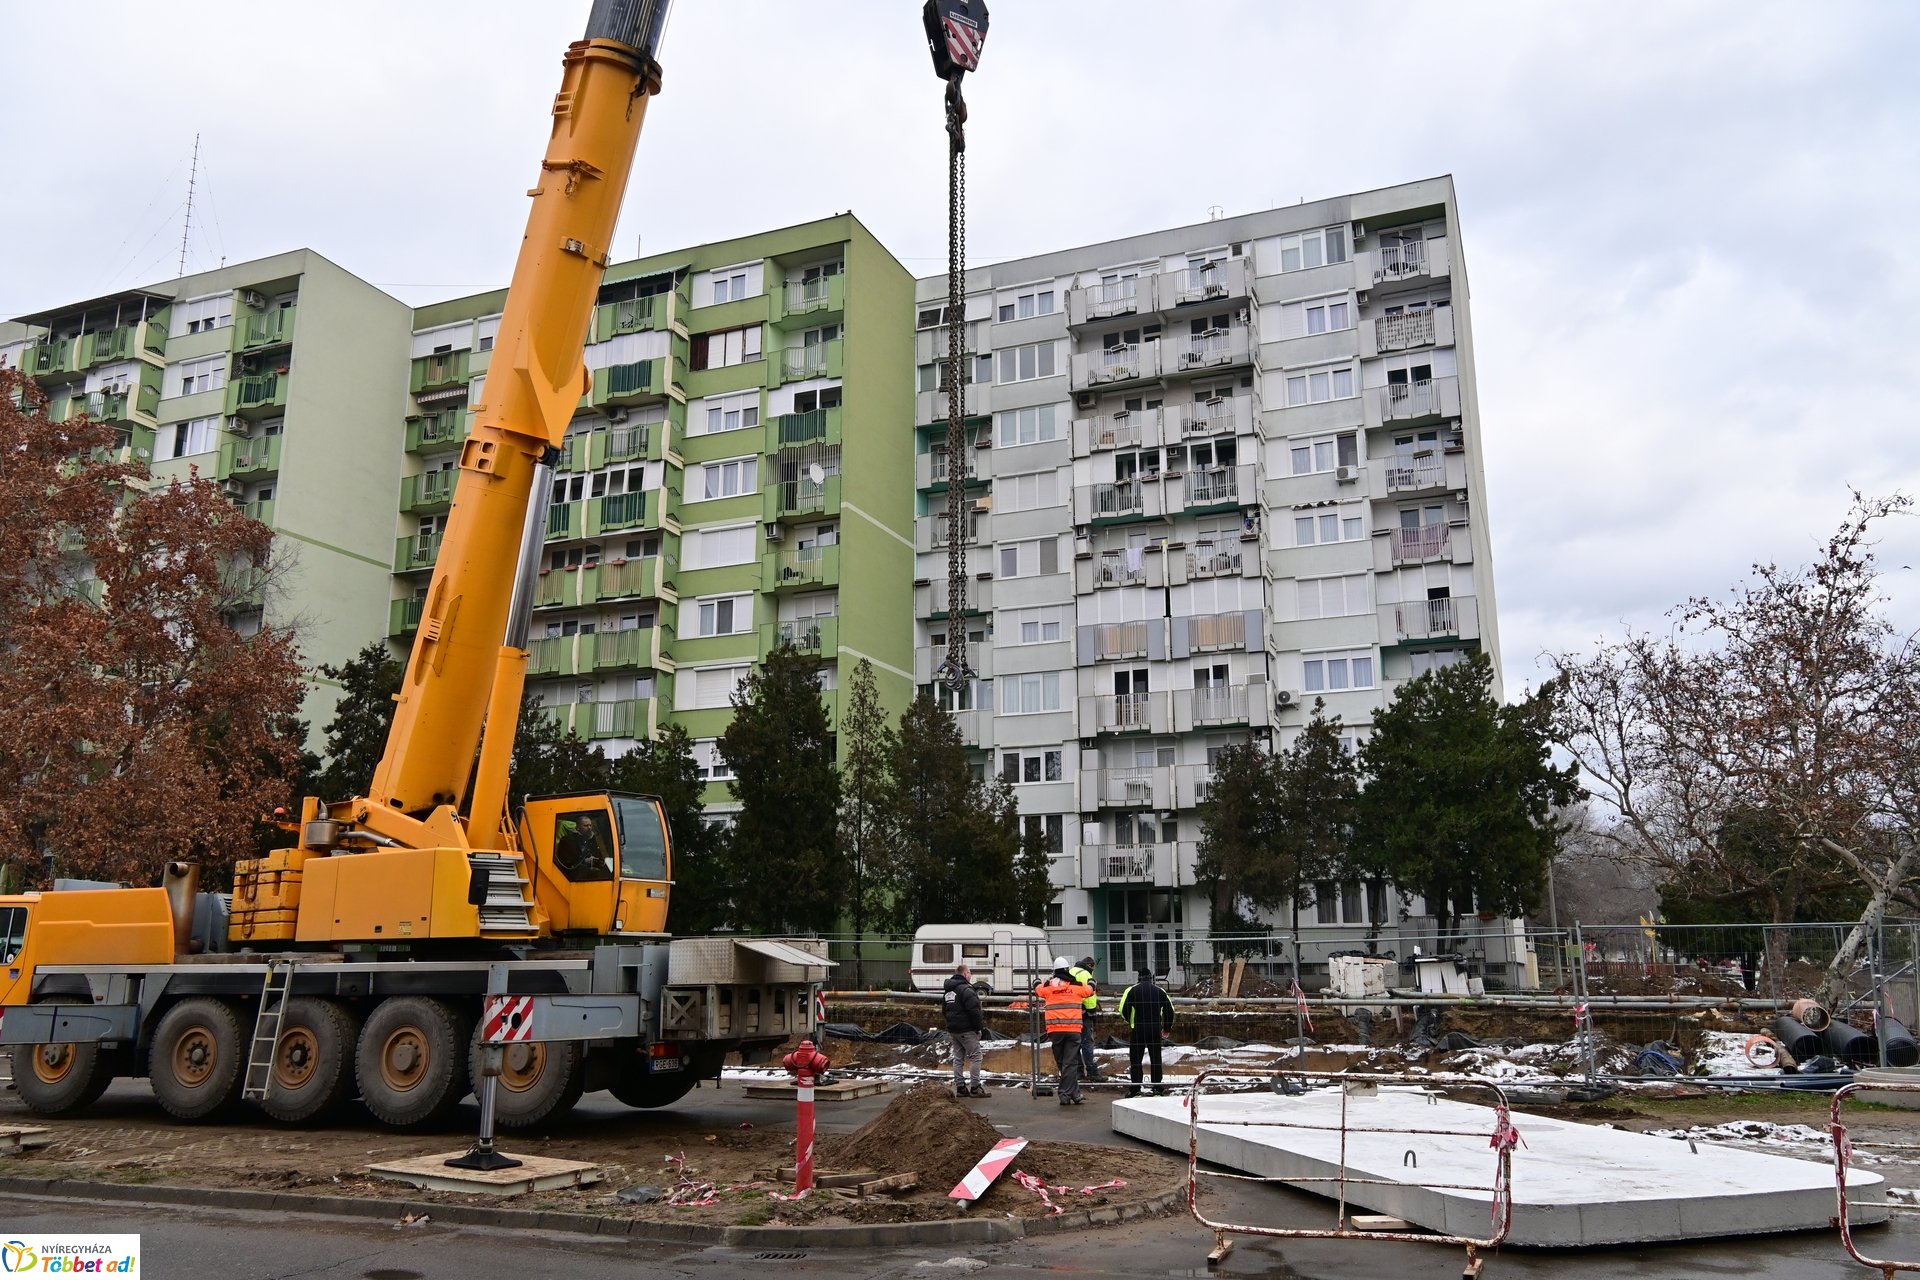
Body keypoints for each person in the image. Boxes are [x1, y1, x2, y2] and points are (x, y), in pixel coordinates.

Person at [1037, 957, 1095, 1105]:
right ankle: (1066, 1094)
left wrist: (1036, 982)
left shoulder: (1049, 987)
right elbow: (1090, 991)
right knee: (1070, 1063)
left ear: (1054, 971)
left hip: (1055, 1031)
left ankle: (1074, 1094)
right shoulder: (1076, 986)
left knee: (1064, 1062)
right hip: (1073, 1030)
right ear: (1068, 970)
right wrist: (1092, 982)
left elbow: (1038, 990)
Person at [1116, 967, 1176, 1097]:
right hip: (1155, 1029)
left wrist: (1130, 1022)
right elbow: (1169, 1011)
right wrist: (1166, 1028)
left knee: (1136, 1060)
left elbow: (1124, 1009)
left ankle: (1135, 1089)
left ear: (1139, 978)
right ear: (1151, 978)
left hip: (1138, 1029)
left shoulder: (1132, 990)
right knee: (1156, 1059)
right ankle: (1157, 1089)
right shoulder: (1160, 991)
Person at [942, 962, 986, 1098]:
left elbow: (944, 1010)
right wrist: (978, 1028)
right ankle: (975, 1087)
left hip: (954, 1030)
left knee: (958, 1058)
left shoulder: (948, 990)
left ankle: (960, 1087)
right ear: (965, 974)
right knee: (976, 1057)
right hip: (967, 1030)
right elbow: (974, 1011)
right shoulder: (966, 989)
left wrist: (951, 1023)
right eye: (970, 973)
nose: (971, 976)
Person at [1069, 955, 1101, 1081]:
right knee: (1087, 1043)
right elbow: (1089, 995)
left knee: (1075, 1043)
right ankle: (1092, 1072)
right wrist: (1091, 1010)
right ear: (1090, 965)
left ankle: (1078, 1072)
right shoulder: (1086, 974)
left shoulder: (1071, 971)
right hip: (1085, 1014)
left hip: (1072, 1013)